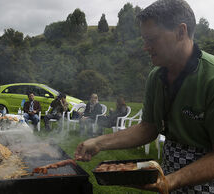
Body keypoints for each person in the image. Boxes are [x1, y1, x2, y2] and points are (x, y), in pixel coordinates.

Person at [75, 0, 214, 193]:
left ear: (181, 32)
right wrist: (99, 142)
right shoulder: (156, 76)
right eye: (144, 40)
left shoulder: (211, 77)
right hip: (171, 171)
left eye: (152, 39)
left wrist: (171, 180)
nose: (145, 47)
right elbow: (148, 128)